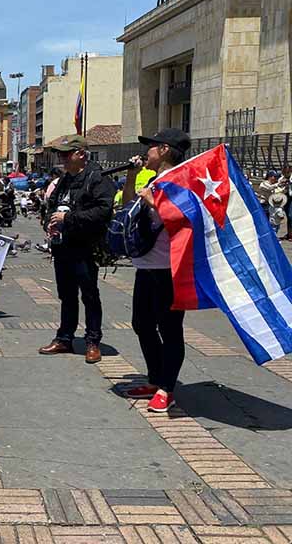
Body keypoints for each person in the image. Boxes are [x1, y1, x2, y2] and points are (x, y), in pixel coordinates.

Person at [121, 127, 191, 412]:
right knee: (142, 324)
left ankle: (167, 388)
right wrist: (131, 177)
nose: (145, 152)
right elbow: (127, 205)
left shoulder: (180, 182)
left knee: (170, 329)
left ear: (164, 150)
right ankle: (155, 378)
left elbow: (185, 220)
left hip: (169, 270)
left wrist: (153, 200)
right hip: (146, 266)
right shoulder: (153, 180)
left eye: (150, 146)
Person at [39, 135, 115, 364]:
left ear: (81, 153)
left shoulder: (97, 178)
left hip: (86, 248)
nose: (62, 158)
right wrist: (50, 223)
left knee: (89, 295)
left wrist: (68, 218)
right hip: (63, 247)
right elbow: (51, 207)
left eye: (66, 153)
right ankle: (65, 338)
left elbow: (103, 212)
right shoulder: (64, 180)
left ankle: (93, 341)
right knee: (66, 295)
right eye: (60, 154)